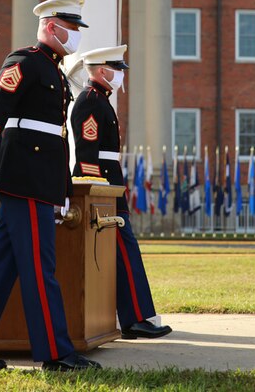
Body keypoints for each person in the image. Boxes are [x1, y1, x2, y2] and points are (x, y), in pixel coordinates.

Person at [0, 0, 101, 371]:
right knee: (39, 268)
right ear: (51, 27)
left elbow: (58, 138)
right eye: (72, 28)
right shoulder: (25, 61)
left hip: (39, 181)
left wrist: (62, 189)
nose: (76, 36)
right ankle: (55, 353)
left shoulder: (54, 71)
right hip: (23, 179)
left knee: (1, 264)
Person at [70, 45, 172, 340]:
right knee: (126, 251)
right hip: (104, 188)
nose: (119, 75)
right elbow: (88, 156)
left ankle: (134, 317)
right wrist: (102, 194)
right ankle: (135, 318)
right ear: (102, 71)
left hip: (111, 184)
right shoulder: (90, 101)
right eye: (116, 69)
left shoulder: (100, 100)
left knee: (124, 251)